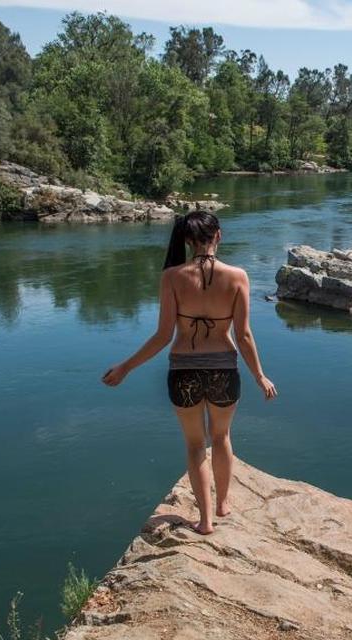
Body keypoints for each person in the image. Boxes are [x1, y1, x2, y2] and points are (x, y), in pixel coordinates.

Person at [101, 211, 277, 534]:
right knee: (222, 437)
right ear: (219, 236)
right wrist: (259, 376)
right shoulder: (238, 276)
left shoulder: (172, 277)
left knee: (196, 444)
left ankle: (205, 521)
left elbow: (162, 336)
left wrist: (125, 367)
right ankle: (223, 504)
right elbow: (244, 335)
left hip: (183, 372)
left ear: (186, 239)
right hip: (224, 369)